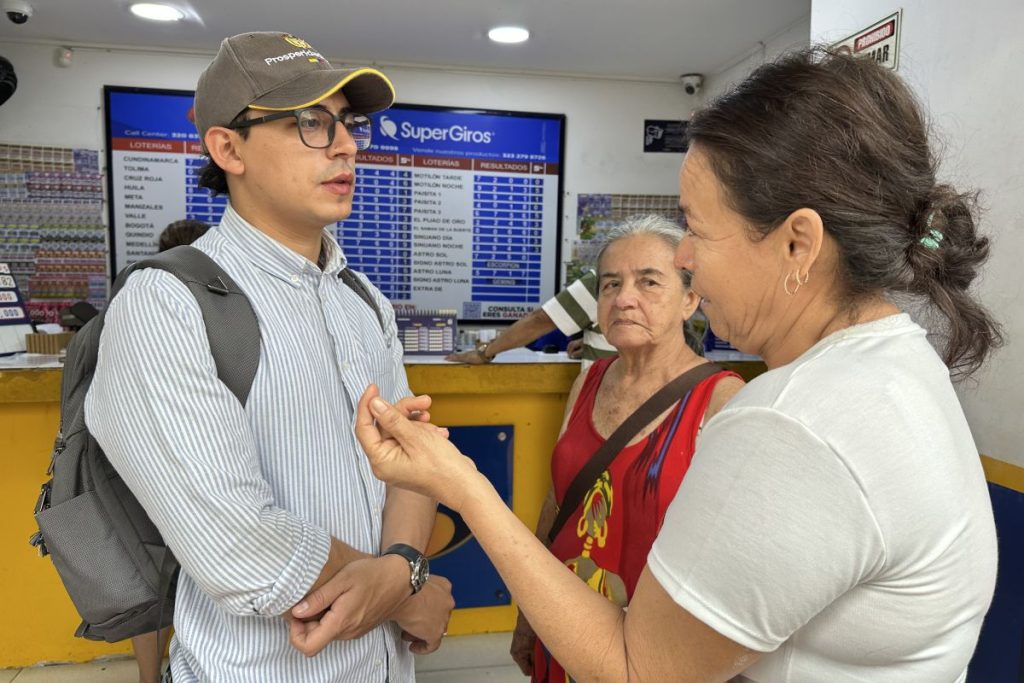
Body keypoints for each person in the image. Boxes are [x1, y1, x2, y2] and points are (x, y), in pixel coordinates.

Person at [293, 46, 1003, 682]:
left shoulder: (794, 425)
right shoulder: (897, 365)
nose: (683, 256)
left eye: (695, 227)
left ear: (798, 244)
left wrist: (460, 482)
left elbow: (636, 667)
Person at [86, 31, 453, 683]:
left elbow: (410, 463)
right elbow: (239, 546)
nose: (345, 145)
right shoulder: (165, 302)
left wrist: (402, 561)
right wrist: (407, 591)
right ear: (228, 147)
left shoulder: (361, 298)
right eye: (309, 122)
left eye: (349, 123)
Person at [505, 215, 744, 681]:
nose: (624, 298)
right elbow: (558, 502)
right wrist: (529, 617)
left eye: (649, 282)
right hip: (567, 626)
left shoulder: (719, 400)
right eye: (611, 285)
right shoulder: (587, 383)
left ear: (690, 299)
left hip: (654, 654)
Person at [126, 217, 212, 683]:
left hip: (136, 472)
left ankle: (147, 678)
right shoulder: (224, 306)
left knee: (148, 581)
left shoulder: (133, 296)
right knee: (205, 578)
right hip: (197, 474)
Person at [445, 269, 617, 368]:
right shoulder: (641, 281)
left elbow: (540, 321)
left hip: (607, 405)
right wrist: (597, 339)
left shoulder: (605, 279)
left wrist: (484, 353)